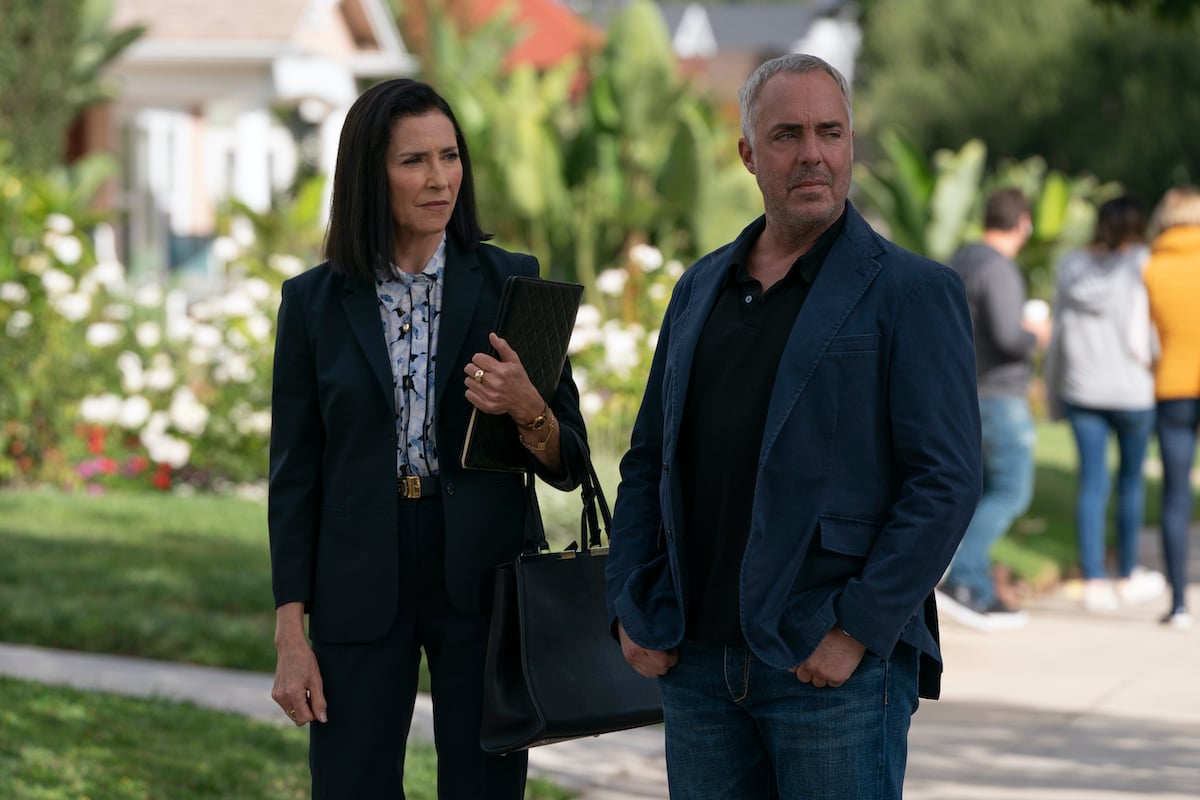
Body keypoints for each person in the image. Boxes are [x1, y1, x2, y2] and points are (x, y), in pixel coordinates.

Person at [604, 54, 982, 800]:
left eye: (830, 132)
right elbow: (649, 460)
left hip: (830, 669)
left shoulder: (914, 292)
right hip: (696, 668)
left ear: (850, 145)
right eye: (787, 135)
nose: (813, 153)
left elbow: (946, 483)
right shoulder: (699, 288)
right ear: (749, 153)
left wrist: (856, 630)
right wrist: (630, 603)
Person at [267, 78, 589, 798]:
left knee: (484, 789)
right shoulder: (312, 303)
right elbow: (294, 478)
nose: (439, 178)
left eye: (449, 156)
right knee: (350, 786)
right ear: (369, 175)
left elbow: (569, 461)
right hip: (357, 572)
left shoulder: (513, 283)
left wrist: (528, 408)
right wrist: (291, 635)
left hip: (483, 573)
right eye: (413, 160)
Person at [1044, 195, 1164, 612]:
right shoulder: (1144, 264)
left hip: (1082, 391)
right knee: (1131, 483)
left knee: (1092, 485)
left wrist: (1053, 394)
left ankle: (1094, 579)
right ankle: (1127, 574)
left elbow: (1058, 334)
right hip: (1134, 390)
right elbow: (1154, 331)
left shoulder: (1071, 267)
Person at [937, 187, 1049, 631]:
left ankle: (977, 584)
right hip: (1000, 396)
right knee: (1011, 492)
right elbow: (1008, 337)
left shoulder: (960, 260)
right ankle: (963, 580)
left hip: (964, 392)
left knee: (980, 492)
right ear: (1022, 223)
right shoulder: (998, 268)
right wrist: (1037, 334)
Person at [1142, 186, 1200, 631]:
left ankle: (1179, 602)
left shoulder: (1151, 267)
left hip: (1172, 387)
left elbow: (1141, 334)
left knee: (1177, 495)